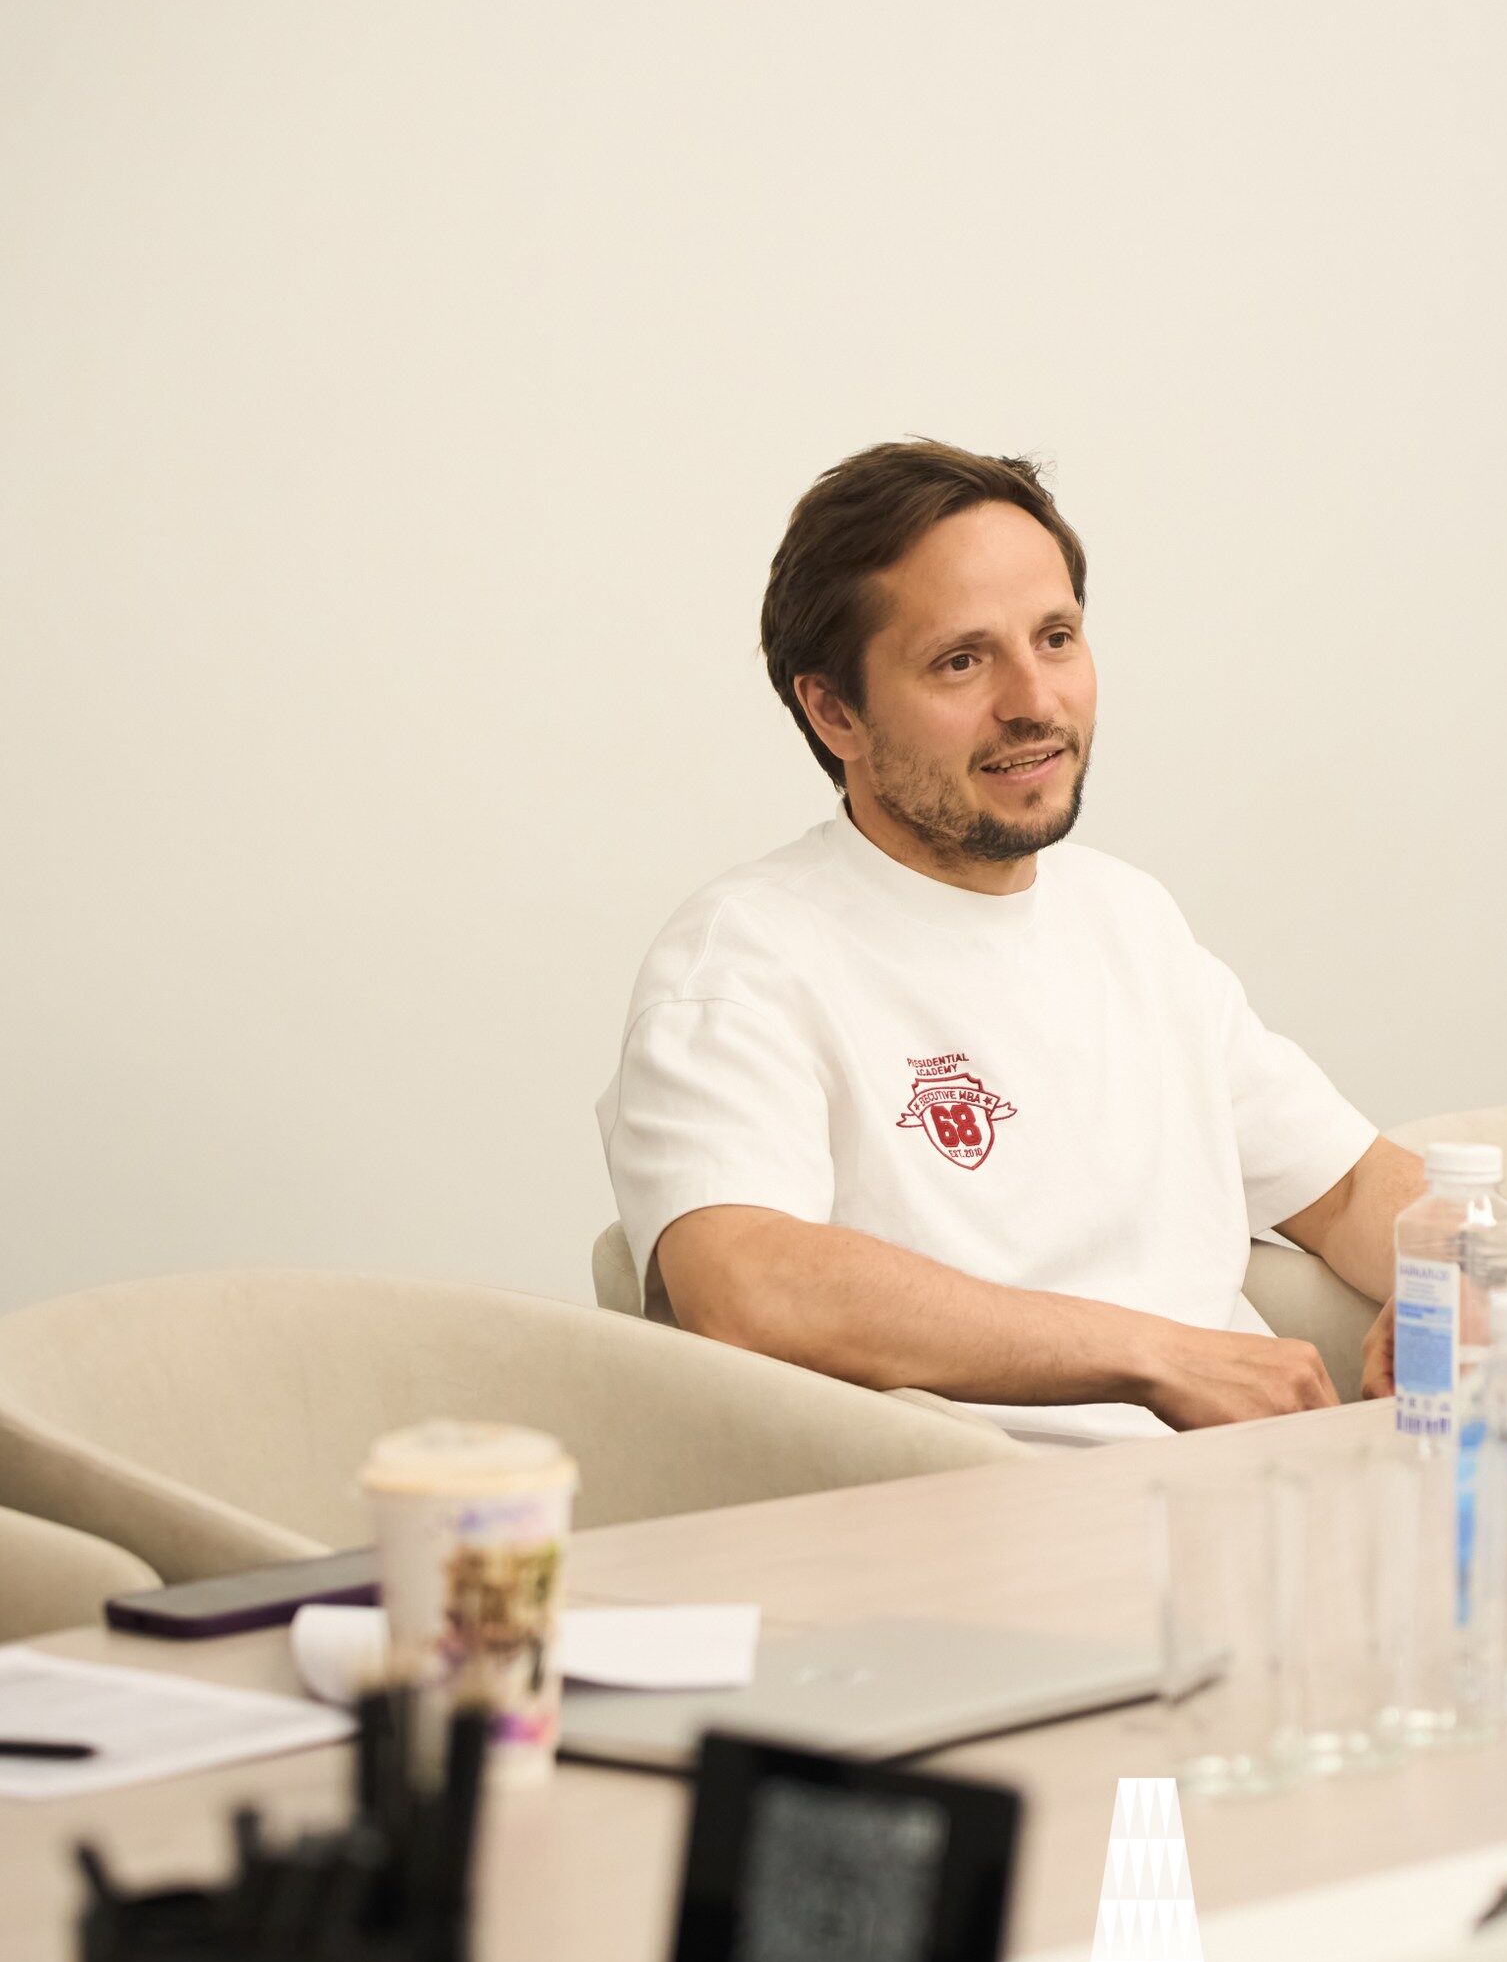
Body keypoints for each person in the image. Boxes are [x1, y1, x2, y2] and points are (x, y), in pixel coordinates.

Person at [596, 439, 1421, 1444]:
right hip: (973, 1509)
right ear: (834, 711)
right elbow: (745, 1283)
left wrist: (1462, 1286)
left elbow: (1349, 1186)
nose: (1034, 702)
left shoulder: (1129, 917)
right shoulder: (744, 961)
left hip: (1247, 1490)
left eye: (1057, 638)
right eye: (962, 660)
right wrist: (1158, 1357)